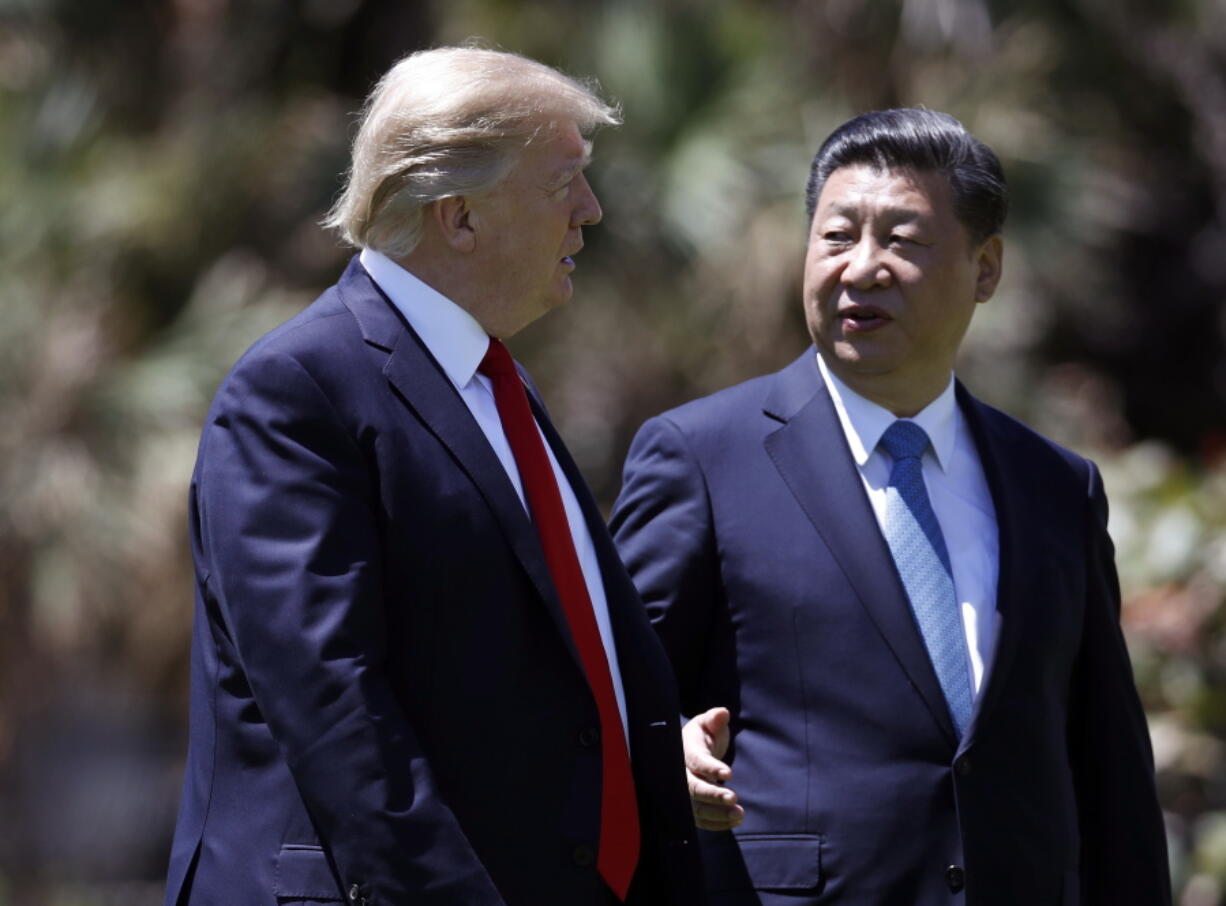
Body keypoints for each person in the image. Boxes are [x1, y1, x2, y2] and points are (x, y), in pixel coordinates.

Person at [164, 46, 703, 906]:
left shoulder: (500, 386)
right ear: (459, 217)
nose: (592, 213)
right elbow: (338, 713)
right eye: (564, 184)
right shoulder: (296, 394)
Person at [610, 108, 1170, 905]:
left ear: (986, 269)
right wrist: (661, 758)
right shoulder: (701, 457)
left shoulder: (1056, 486)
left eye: (902, 241)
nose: (861, 267)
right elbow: (603, 703)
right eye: (837, 236)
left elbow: (1108, 767)